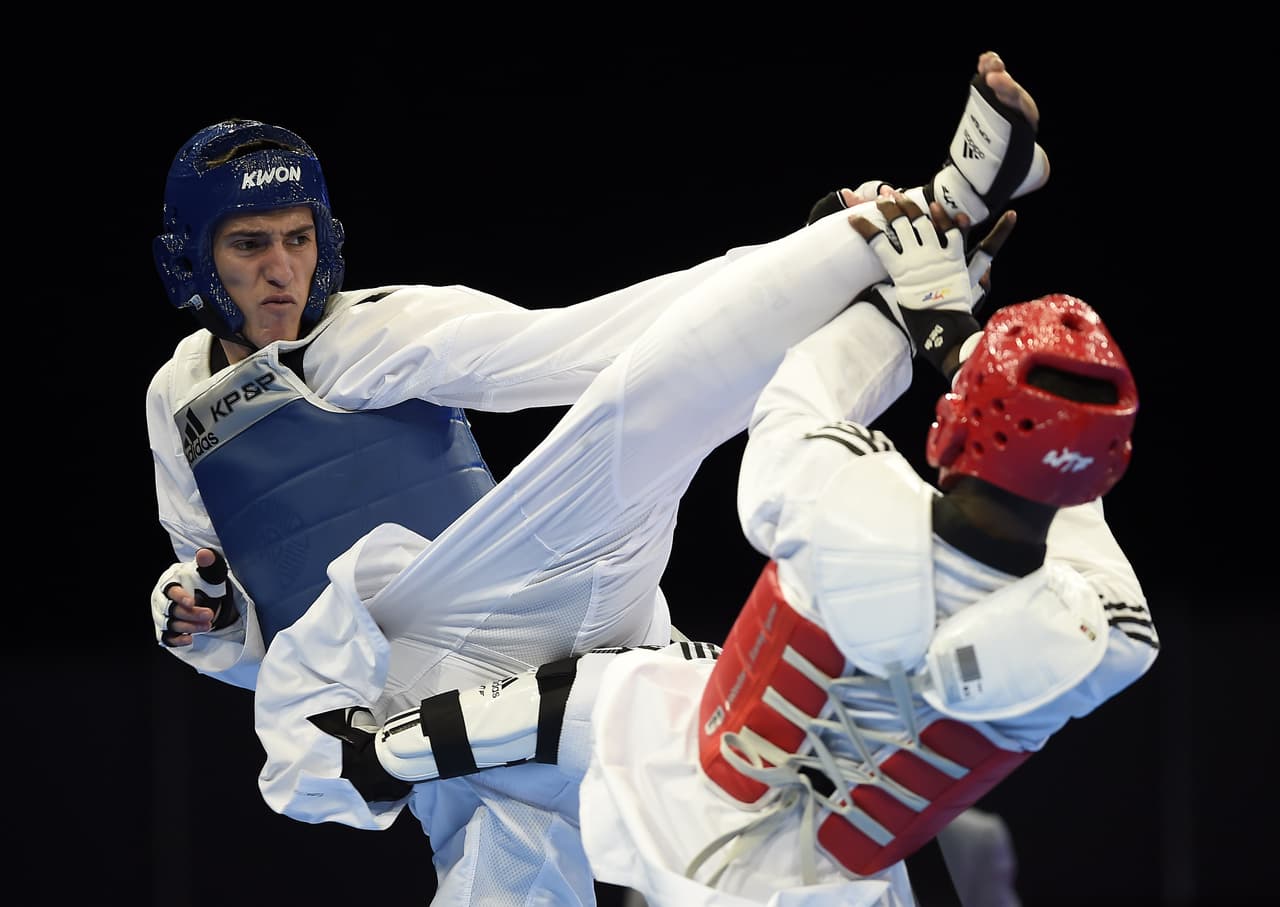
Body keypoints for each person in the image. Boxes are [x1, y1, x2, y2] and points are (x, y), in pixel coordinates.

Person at [147, 53, 1049, 905]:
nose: (281, 269)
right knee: (757, 834)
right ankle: (886, 285)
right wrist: (203, 616)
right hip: (433, 725)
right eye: (250, 244)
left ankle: (926, 214)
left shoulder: (372, 331)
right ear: (193, 256)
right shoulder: (174, 402)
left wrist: (803, 257)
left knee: (636, 412)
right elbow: (238, 612)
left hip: (505, 599)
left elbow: (592, 342)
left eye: (298, 239)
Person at [372, 195, 1157, 905]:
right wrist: (965, 349)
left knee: (596, 693)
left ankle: (379, 754)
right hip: (853, 883)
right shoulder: (1108, 641)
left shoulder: (844, 498)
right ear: (1112, 463)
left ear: (951, 425)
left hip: (699, 819)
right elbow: (1071, 506)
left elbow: (795, 376)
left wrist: (902, 303)